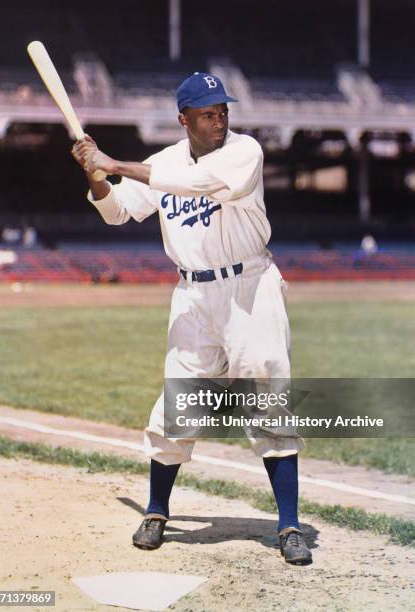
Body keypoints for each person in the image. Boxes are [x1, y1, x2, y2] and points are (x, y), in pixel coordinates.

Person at [72, 72, 312, 565]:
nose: (219, 120)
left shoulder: (245, 152)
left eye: (222, 110)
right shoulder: (161, 161)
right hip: (193, 294)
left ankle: (288, 525)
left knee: (267, 399)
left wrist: (114, 162)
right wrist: (94, 171)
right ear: (184, 120)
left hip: (250, 289)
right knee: (177, 404)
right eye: (207, 113)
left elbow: (197, 182)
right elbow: (117, 211)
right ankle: (157, 511)